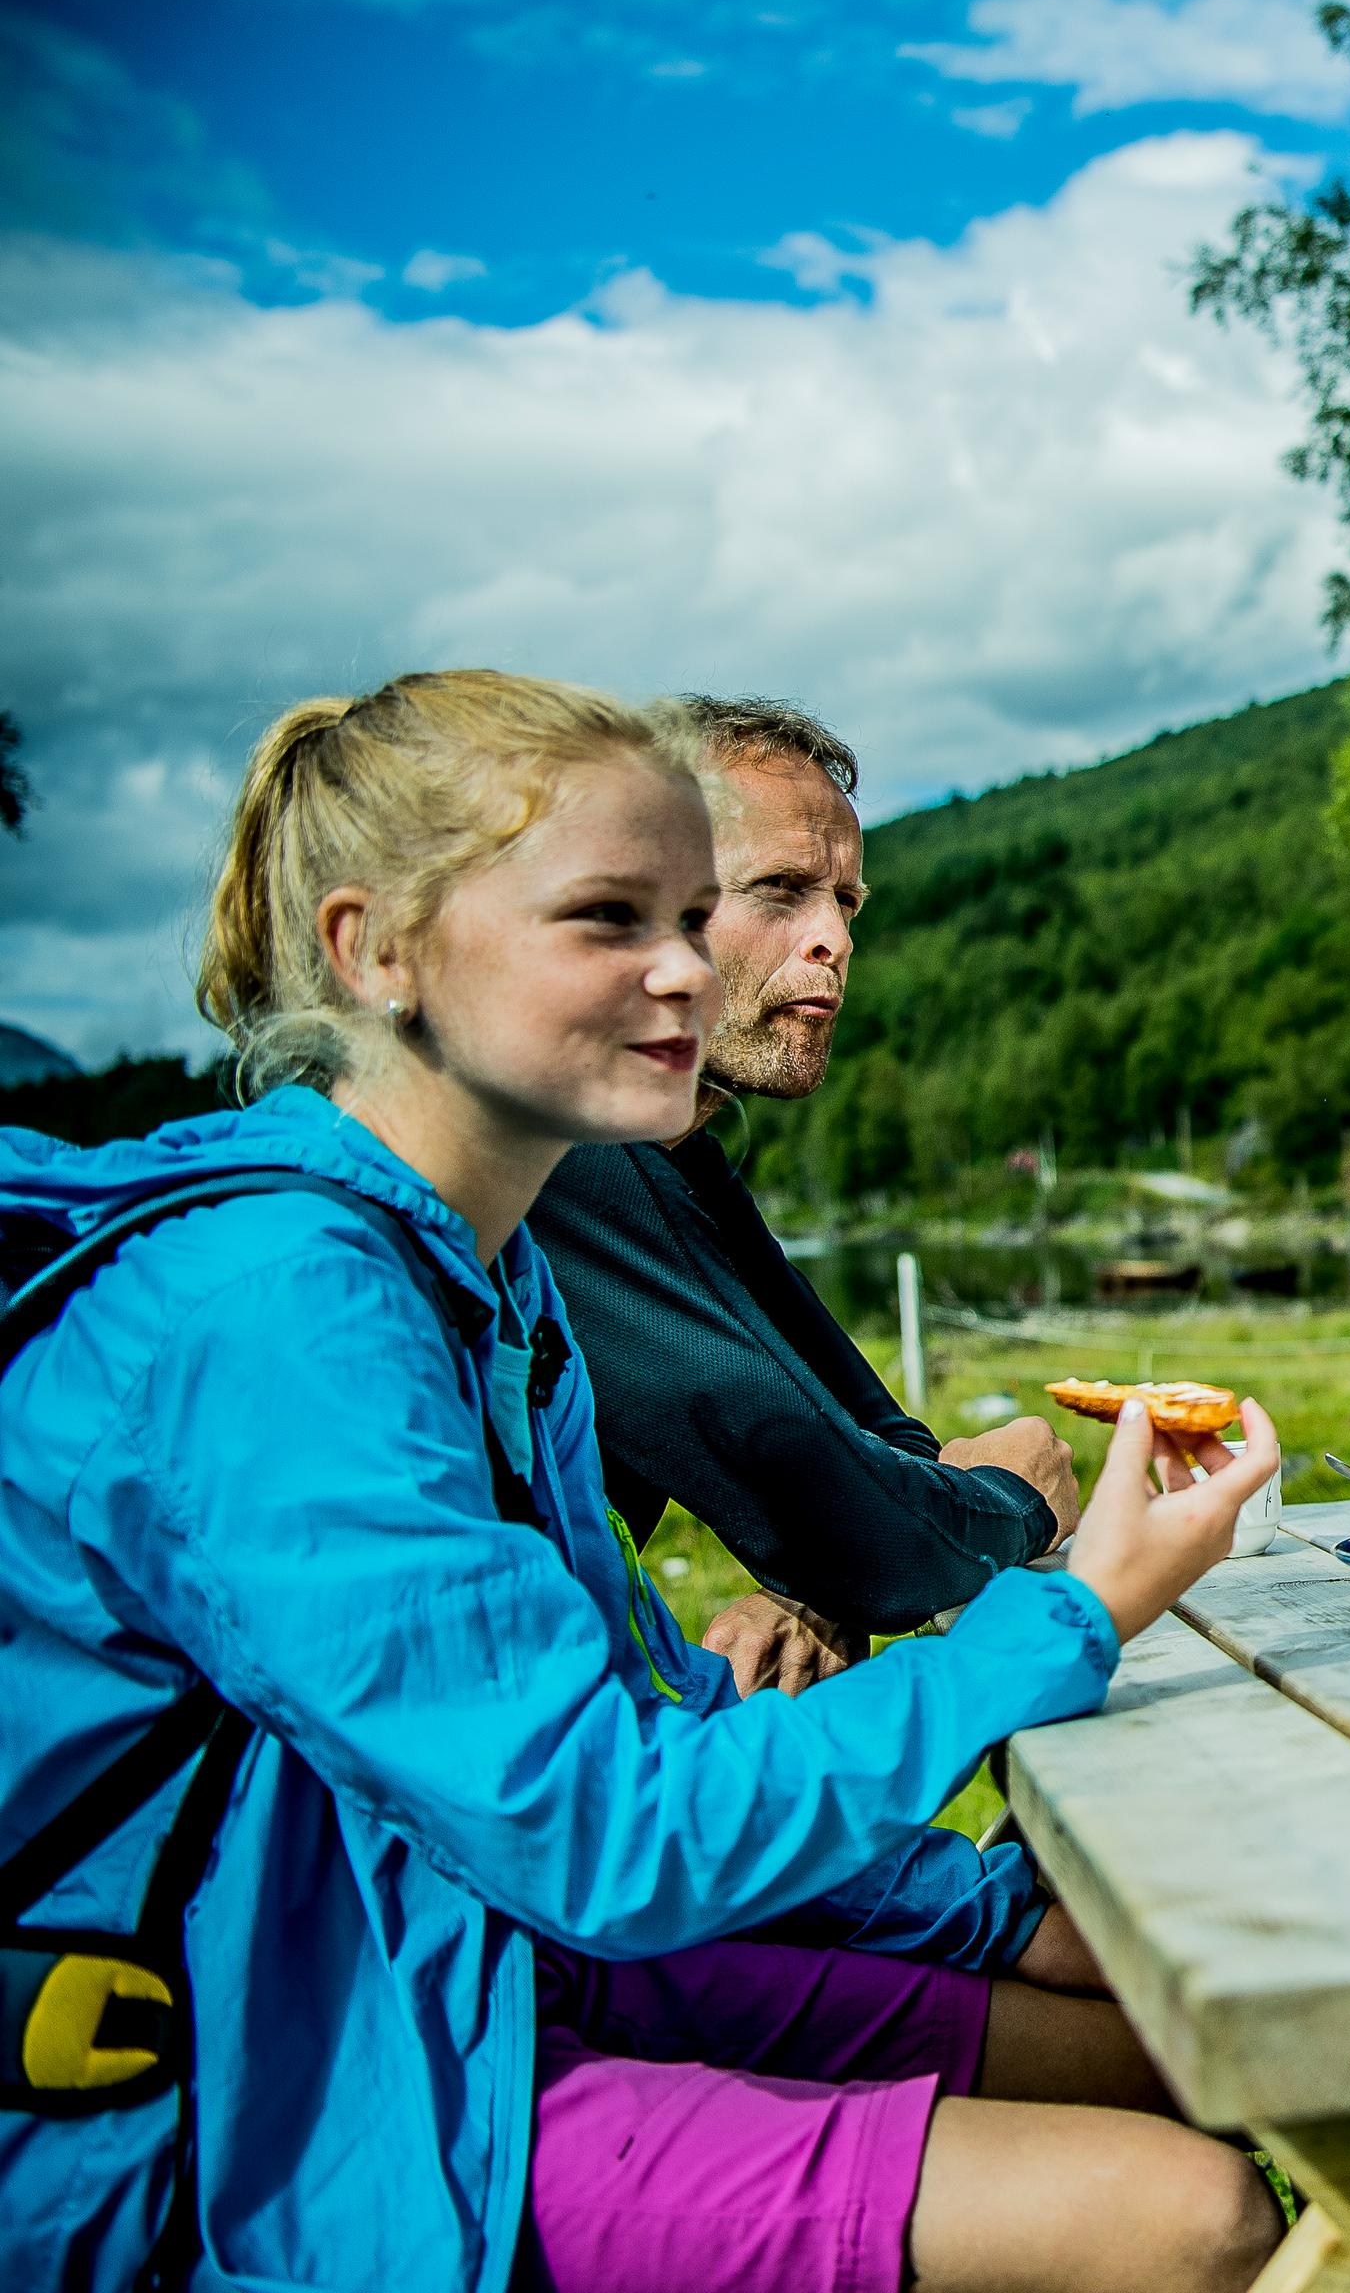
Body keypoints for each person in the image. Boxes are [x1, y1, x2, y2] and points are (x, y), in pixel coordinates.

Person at [0, 672, 1282, 2293]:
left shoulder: (492, 1271)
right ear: (372, 951)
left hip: (490, 1974)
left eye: (693, 911)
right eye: (610, 918)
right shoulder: (274, 1306)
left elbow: (644, 1719)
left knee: (1179, 2064)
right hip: (288, 2109)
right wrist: (1072, 1610)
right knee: (1184, 2217)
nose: (688, 970)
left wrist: (974, 1907)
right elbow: (601, 1831)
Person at [532, 696, 1076, 1694]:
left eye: (847, 902)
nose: (833, 938)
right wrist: (1012, 1496)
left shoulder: (671, 1154)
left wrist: (823, 1582)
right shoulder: (564, 1150)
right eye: (781, 890)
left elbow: (873, 1448)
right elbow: (865, 1526)